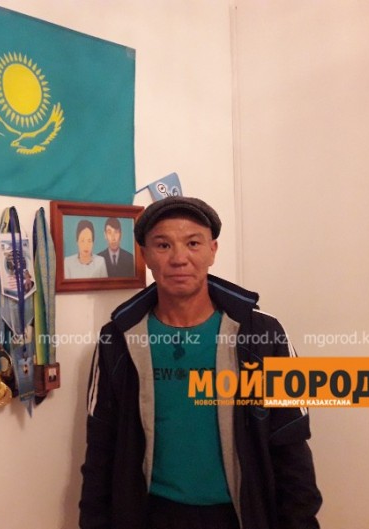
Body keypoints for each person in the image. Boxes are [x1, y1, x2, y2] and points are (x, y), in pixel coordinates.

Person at [79, 196, 322, 529]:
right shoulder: (116, 339)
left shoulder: (264, 334)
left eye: (193, 243)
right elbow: (100, 449)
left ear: (212, 250)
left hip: (239, 515)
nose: (179, 258)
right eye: (163, 245)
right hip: (150, 515)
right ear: (146, 255)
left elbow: (291, 442)